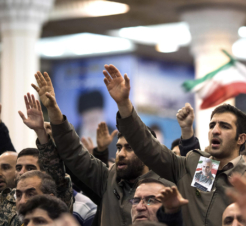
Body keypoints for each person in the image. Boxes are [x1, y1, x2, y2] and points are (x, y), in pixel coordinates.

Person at [103, 64, 246, 226]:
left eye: (224, 126)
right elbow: (148, 146)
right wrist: (124, 104)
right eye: (212, 125)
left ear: (241, 139)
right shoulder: (199, 166)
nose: (215, 131)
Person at [31, 71, 173, 226]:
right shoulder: (109, 181)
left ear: (147, 151)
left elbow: (198, 206)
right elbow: (75, 154)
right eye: (118, 148)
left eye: (129, 148)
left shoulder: (170, 186)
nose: (121, 154)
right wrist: (53, 110)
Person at [0, 93, 72, 226]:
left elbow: (57, 175)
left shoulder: (55, 199)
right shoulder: (5, 198)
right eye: (18, 167)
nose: (23, 172)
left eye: (31, 194)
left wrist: (41, 133)